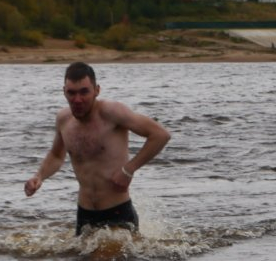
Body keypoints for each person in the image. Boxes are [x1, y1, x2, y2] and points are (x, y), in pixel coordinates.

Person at [24, 62, 171, 235]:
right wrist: (39, 176)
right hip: (85, 214)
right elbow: (57, 155)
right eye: (71, 93)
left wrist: (128, 170)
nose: (77, 99)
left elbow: (160, 135)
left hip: (118, 211)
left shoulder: (112, 112)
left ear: (97, 90)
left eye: (84, 92)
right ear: (64, 91)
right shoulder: (63, 119)